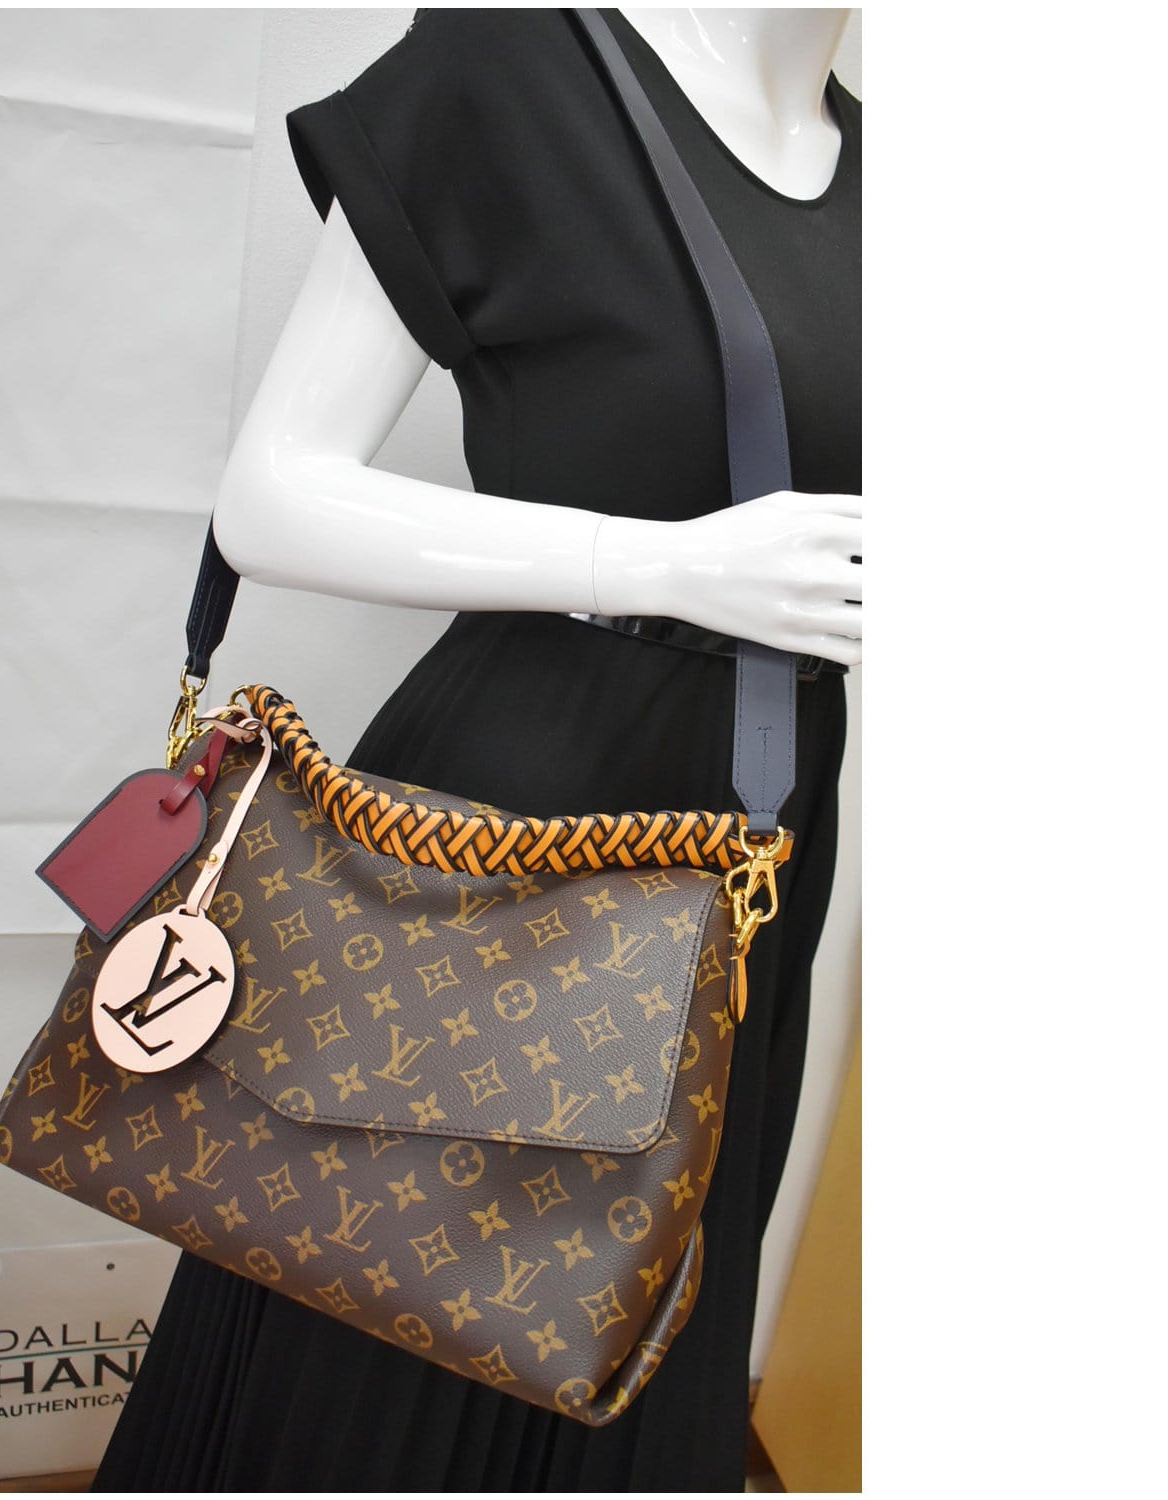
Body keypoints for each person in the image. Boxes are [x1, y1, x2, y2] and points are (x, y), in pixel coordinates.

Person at [92, 8, 859, 1490]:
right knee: (383, 1336)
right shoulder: (513, 68)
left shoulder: (892, 182)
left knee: (643, 1339)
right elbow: (270, 497)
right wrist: (666, 564)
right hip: (511, 837)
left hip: (759, 857)